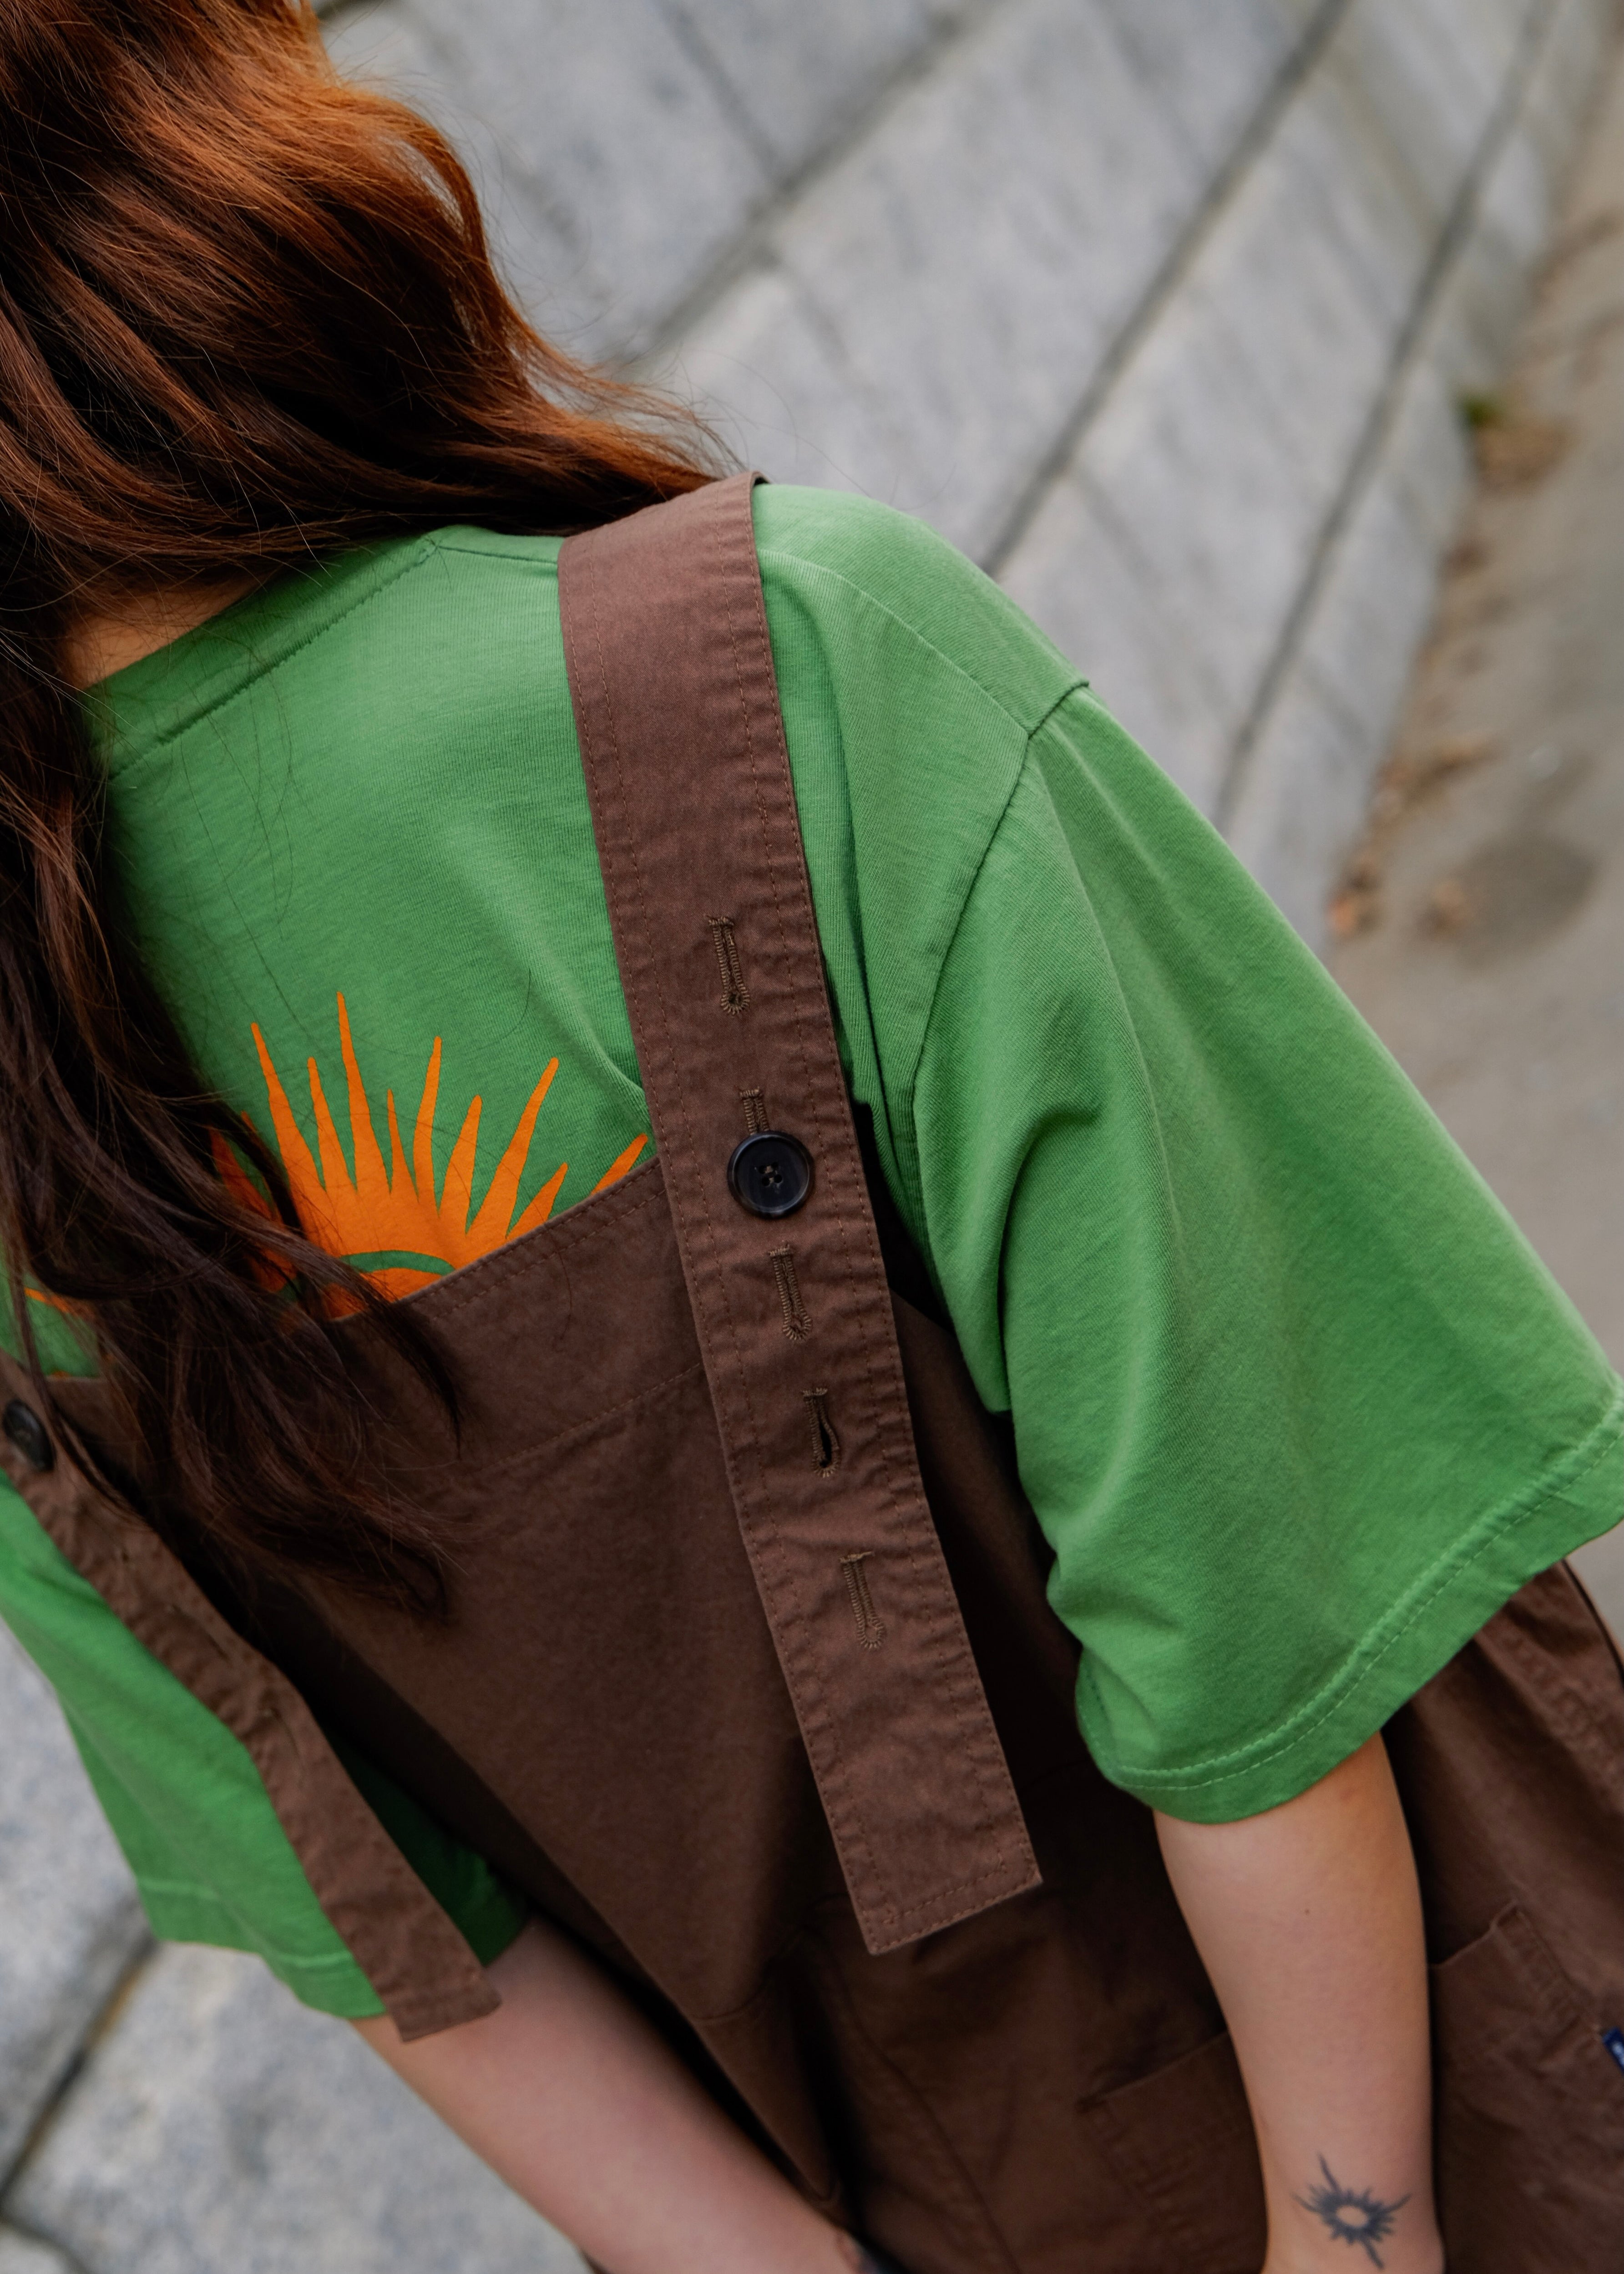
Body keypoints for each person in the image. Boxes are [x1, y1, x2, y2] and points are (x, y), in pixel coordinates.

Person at [1, 6, 1619, 2272]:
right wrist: (1349, 2235)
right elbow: (1251, 1600)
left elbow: (391, 1928)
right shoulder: (774, 666)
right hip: (1445, 2099)